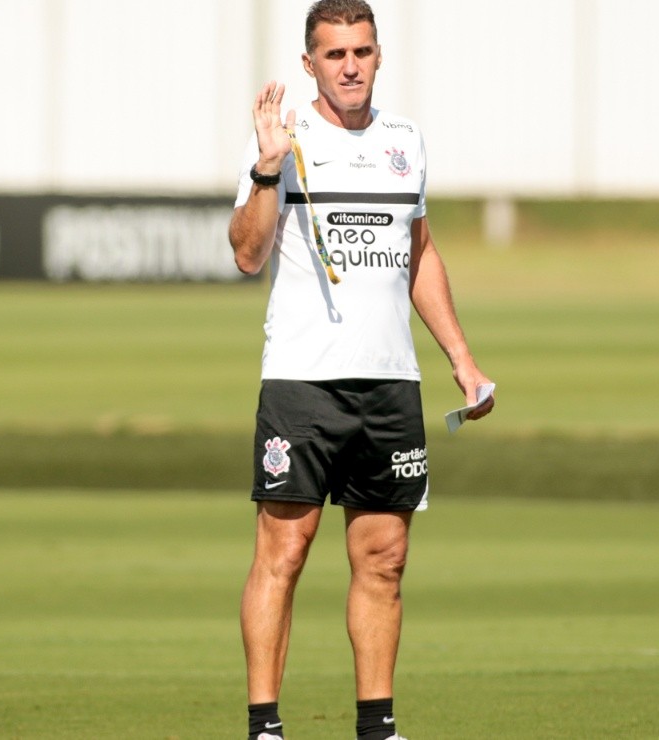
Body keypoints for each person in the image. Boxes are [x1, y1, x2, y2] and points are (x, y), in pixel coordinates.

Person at [228, 2, 493, 738]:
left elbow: (421, 253)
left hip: (390, 385)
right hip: (302, 383)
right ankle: (265, 726)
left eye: (363, 52)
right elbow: (247, 253)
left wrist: (461, 360)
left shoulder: (405, 142)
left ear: (379, 57)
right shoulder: (285, 141)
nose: (351, 66)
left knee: (385, 558)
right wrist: (263, 169)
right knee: (283, 551)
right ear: (308, 63)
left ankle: (376, 726)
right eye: (335, 53)